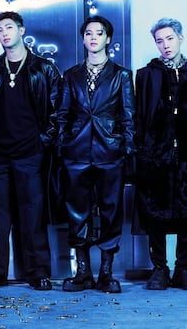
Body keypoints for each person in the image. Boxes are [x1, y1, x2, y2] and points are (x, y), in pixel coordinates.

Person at [0, 11, 60, 291]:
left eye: (9, 28)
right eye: (0, 29)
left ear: (22, 30)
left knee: (32, 213)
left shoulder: (44, 69)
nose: (4, 33)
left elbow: (57, 111)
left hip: (30, 152)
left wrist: (43, 141)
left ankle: (38, 273)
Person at [133, 18, 187, 291]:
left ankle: (184, 269)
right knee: (155, 212)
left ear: (180, 38)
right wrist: (143, 151)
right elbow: (139, 117)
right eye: (159, 41)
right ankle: (159, 269)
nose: (165, 45)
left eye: (169, 38)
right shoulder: (146, 75)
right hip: (155, 155)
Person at [57, 15, 135, 293]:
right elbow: (63, 114)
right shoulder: (71, 75)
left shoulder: (122, 75)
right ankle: (83, 273)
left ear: (108, 39)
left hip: (110, 151)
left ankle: (106, 273)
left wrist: (125, 147)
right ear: (83, 39)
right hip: (76, 152)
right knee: (76, 211)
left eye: (99, 33)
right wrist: (64, 144)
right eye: (88, 33)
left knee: (111, 211)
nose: (93, 38)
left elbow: (129, 115)